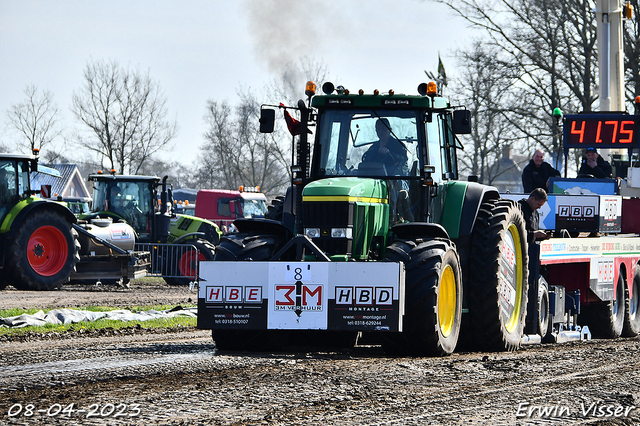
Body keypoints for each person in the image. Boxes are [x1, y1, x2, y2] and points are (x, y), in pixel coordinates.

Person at [518, 188, 551, 335]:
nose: (539, 208)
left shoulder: (535, 214)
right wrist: (533, 235)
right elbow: (517, 232)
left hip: (533, 253)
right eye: (538, 204)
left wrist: (542, 236)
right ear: (531, 199)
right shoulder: (519, 209)